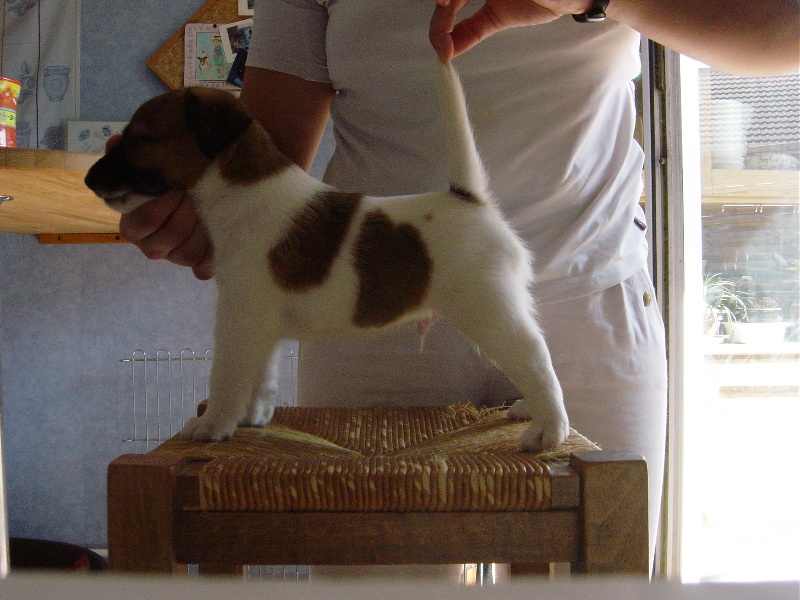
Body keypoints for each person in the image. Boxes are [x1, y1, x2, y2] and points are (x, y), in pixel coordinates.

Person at [119, 0, 799, 574]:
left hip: (585, 298)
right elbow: (271, 146)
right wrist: (201, 211)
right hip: (370, 309)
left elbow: (784, 29)